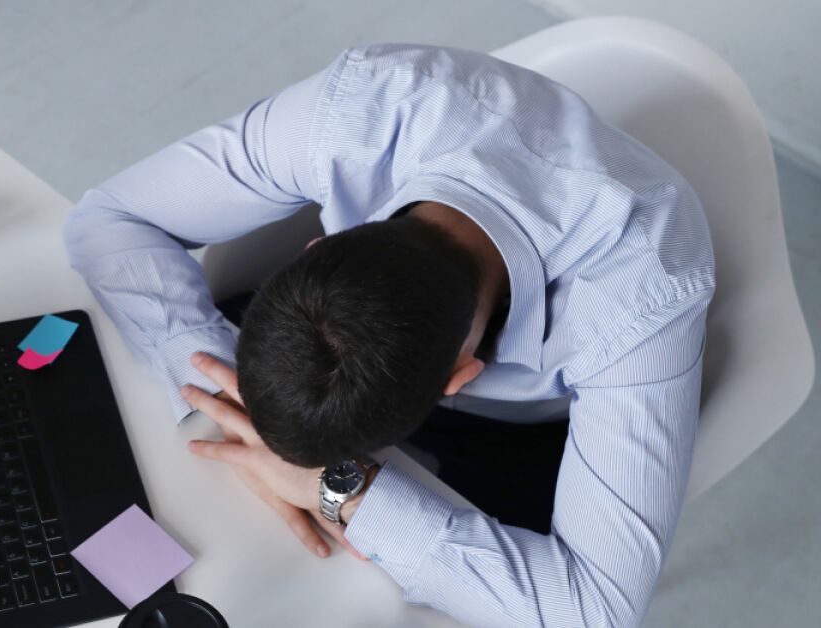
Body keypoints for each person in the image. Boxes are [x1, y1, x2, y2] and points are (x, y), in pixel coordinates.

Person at [64, 44, 714, 627]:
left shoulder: (642, 295)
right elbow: (110, 217)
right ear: (316, 249)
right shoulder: (366, 105)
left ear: (460, 379)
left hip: (525, 425)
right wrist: (224, 401)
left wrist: (335, 488)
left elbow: (595, 611)